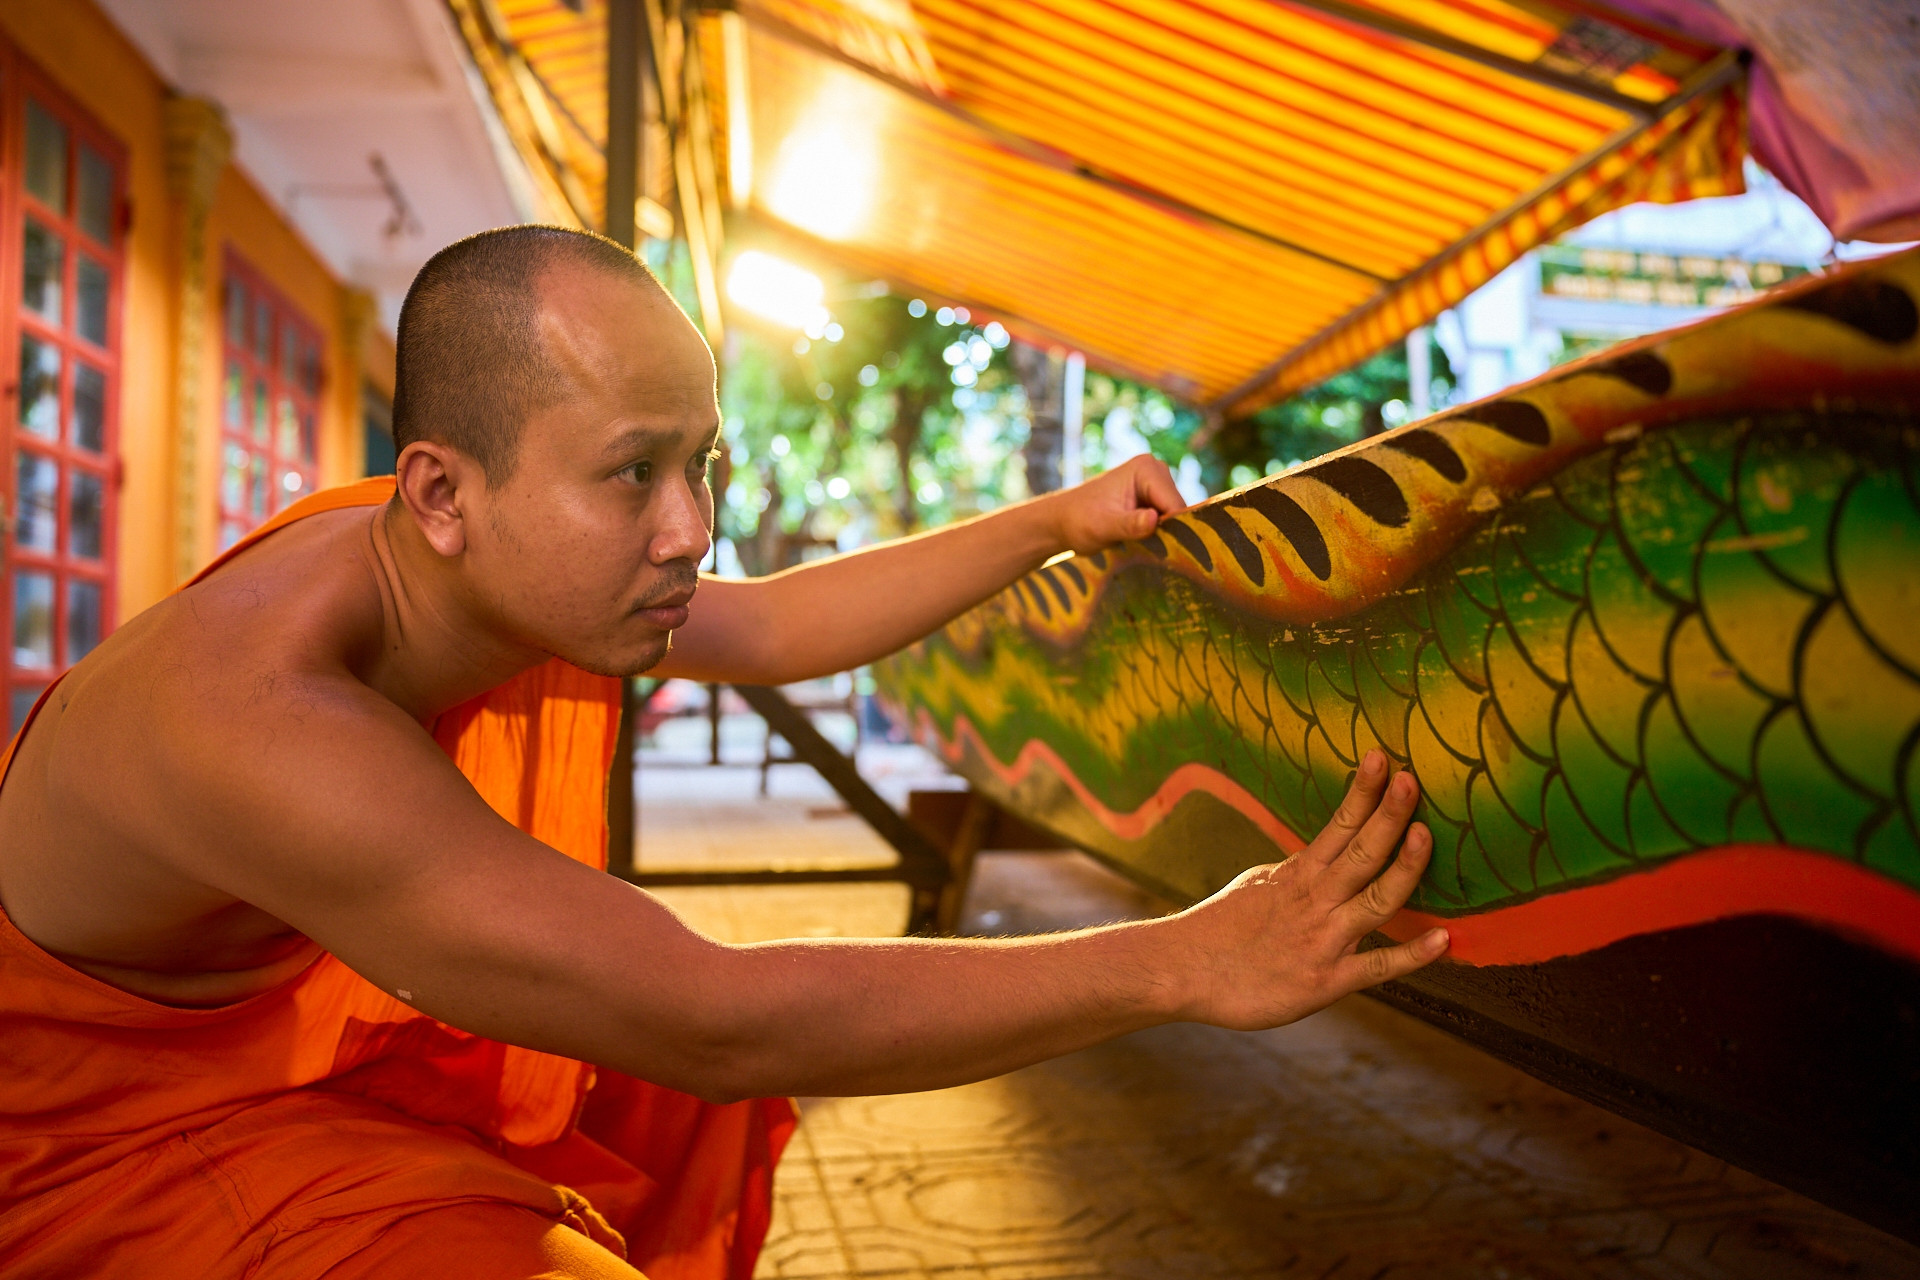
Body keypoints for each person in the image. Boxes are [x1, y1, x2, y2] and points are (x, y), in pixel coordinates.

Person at [0, 226, 1448, 1280]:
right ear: (440, 491)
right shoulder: (262, 717)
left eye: (700, 464)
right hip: (105, 1147)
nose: (690, 527)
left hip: (282, 1047)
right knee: (655, 1076)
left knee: (655, 1104)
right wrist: (1184, 961)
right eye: (635, 470)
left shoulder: (462, 556)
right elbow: (716, 1013)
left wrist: (1051, 522)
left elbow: (770, 625)